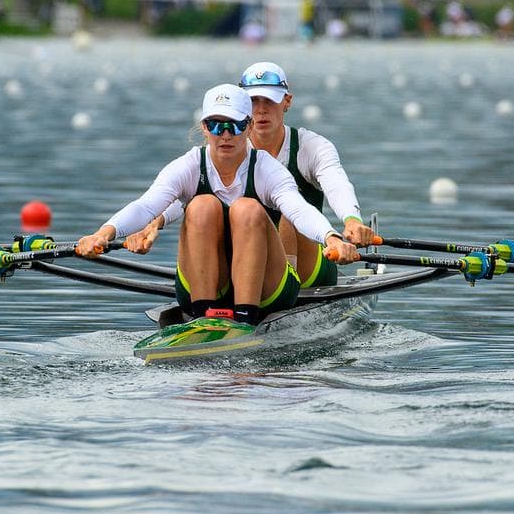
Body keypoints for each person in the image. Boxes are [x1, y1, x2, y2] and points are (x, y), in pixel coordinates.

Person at [75, 84, 360, 326]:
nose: (225, 135)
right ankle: (203, 317)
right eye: (216, 125)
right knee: (201, 206)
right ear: (204, 128)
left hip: (267, 290)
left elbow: (299, 210)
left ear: (248, 128)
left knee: (246, 209)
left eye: (235, 125)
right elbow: (146, 206)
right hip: (207, 285)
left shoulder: (267, 170)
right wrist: (103, 234)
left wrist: (331, 237)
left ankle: (246, 318)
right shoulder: (188, 166)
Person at [126, 61, 377, 289]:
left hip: (308, 269)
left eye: (270, 101)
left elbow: (336, 184)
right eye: (253, 101)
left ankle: (285, 293)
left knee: (291, 214)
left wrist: (351, 220)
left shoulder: (312, 147)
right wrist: (154, 222)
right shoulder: (225, 149)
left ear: (287, 101)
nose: (261, 110)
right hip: (247, 265)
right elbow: (185, 197)